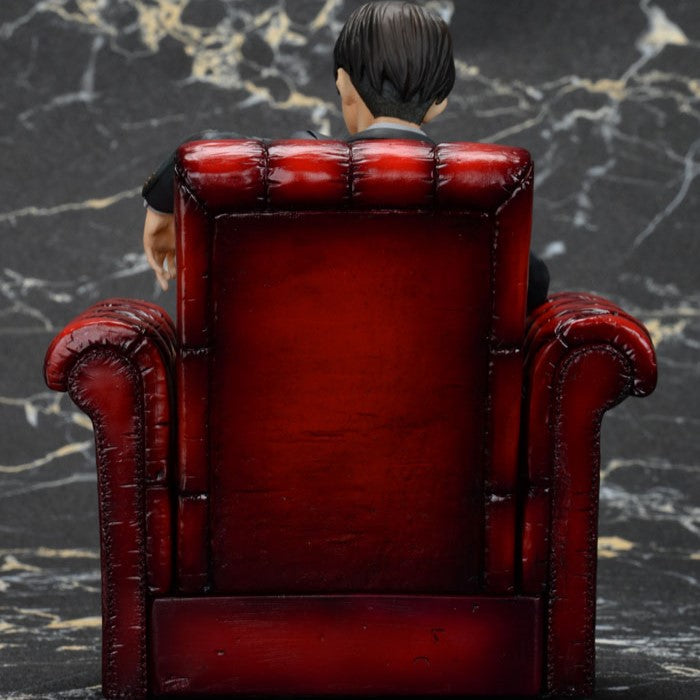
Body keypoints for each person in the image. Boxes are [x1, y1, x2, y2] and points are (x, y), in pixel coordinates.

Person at [142, 1, 549, 310]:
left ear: (343, 82)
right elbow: (533, 286)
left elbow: (208, 153)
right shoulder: (478, 201)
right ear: (440, 102)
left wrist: (163, 203)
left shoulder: (298, 165)